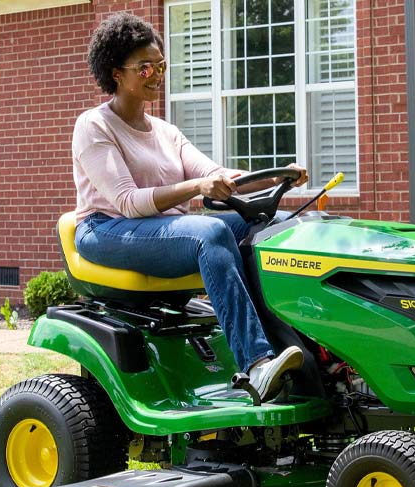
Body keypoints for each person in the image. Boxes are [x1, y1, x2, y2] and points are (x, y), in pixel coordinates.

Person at [73, 12, 308, 402]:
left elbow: (215, 174)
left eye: (161, 65)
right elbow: (128, 203)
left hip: (160, 229)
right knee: (210, 232)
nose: (157, 73)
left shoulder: (166, 132)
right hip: (106, 229)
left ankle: (309, 347)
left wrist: (279, 174)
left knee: (279, 225)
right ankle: (256, 365)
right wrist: (196, 187)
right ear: (116, 73)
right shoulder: (94, 126)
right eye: (146, 67)